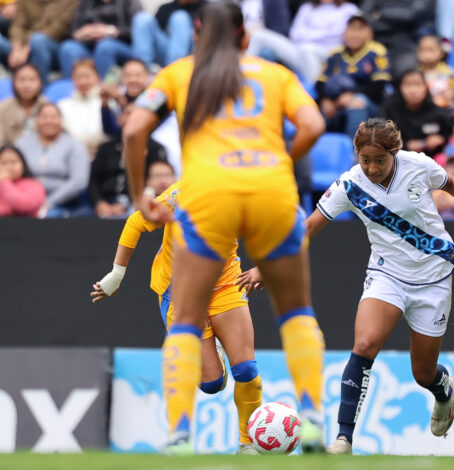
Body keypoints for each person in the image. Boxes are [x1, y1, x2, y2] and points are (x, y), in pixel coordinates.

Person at [122, 1, 327, 454]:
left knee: (186, 319)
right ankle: (311, 417)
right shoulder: (272, 73)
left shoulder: (179, 73)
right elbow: (313, 124)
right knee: (295, 311)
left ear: (196, 34)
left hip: (207, 193)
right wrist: (281, 163)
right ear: (245, 37)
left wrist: (140, 194)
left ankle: (178, 434)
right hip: (271, 189)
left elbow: (135, 129)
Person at [306, 118, 454, 455]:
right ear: (357, 155)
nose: (372, 167)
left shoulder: (417, 165)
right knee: (364, 344)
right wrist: (267, 266)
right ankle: (344, 438)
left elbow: (450, 183)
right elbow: (311, 226)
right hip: (386, 274)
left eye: (380, 160)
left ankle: (444, 389)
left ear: (394, 152)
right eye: (365, 160)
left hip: (433, 277)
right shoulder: (349, 185)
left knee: (423, 373)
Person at [89, 180, 267, 454]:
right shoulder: (181, 193)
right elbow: (136, 222)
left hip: (225, 284)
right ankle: (213, 353)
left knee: (246, 370)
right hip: (179, 292)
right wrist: (116, 275)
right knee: (211, 385)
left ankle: (247, 445)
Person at [246, 0, 359, 84]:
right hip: (299, 51)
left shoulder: (349, 9)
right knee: (259, 35)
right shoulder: (307, 7)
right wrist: (320, 33)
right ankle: (242, 73)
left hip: (328, 54)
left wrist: (309, 35)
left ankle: (315, 91)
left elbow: (338, 34)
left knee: (308, 49)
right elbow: (295, 34)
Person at [316, 14, 391, 139]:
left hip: (370, 104)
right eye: (351, 29)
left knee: (357, 102)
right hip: (336, 101)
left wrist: (352, 95)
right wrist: (325, 100)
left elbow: (379, 86)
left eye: (360, 29)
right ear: (344, 33)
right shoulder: (335, 54)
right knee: (316, 106)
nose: (355, 34)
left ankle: (355, 150)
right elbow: (320, 82)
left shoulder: (377, 52)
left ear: (370, 33)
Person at [90, 104, 167, 218]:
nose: (132, 119)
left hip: (138, 203)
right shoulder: (106, 148)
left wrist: (135, 202)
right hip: (106, 203)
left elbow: (157, 179)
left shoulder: (155, 149)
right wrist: (99, 203)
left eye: (137, 115)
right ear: (119, 119)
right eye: (128, 114)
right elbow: (93, 180)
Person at [16, 103, 90, 217]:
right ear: (36, 120)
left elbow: (79, 181)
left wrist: (49, 202)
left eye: (54, 117)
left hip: (64, 204)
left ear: (61, 120)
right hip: (24, 201)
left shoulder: (74, 145)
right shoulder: (23, 143)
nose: (49, 121)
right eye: (44, 117)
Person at [0, 0, 80, 84]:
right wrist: (16, 47)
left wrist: (27, 47)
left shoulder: (72, 2)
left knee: (38, 41)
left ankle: (39, 88)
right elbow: (17, 26)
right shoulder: (25, 2)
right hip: (20, 46)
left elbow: (58, 29)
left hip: (53, 46)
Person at [58, 0, 140, 78]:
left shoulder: (128, 2)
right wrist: (84, 32)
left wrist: (110, 31)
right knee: (68, 47)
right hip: (90, 45)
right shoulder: (86, 3)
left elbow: (138, 30)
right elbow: (74, 31)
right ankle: (71, 89)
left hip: (121, 45)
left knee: (104, 47)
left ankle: (106, 89)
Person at [380, 69, 452, 156]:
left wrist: (441, 138)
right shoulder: (390, 109)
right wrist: (405, 145)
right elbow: (381, 138)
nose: (413, 90)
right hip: (398, 159)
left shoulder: (436, 110)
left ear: (426, 87)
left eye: (418, 84)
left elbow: (452, 132)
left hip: (433, 160)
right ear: (400, 87)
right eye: (408, 85)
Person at [360, 0, 435, 75]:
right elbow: (365, 15)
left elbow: (410, 15)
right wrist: (395, 19)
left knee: (407, 70)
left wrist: (380, 14)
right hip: (376, 40)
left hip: (405, 44)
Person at [131, 0, 204, 70]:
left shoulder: (205, 8)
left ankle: (175, 70)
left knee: (180, 18)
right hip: (166, 51)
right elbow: (153, 36)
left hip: (193, 50)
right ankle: (141, 71)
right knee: (142, 19)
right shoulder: (165, 9)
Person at [58, 59, 108, 156]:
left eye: (87, 76)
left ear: (97, 77)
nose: (83, 82)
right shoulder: (63, 106)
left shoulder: (108, 102)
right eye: (78, 77)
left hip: (104, 155)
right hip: (74, 156)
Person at [0, 64, 48, 146]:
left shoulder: (47, 106)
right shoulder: (3, 108)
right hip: (11, 155)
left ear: (40, 83)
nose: (27, 85)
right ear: (14, 83)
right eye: (22, 80)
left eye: (32, 80)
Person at [100, 58, 149, 137]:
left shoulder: (155, 99)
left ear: (147, 76)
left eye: (138, 75)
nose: (133, 79)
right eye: (128, 75)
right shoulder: (117, 99)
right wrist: (105, 104)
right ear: (122, 78)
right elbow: (110, 131)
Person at [0, 144, 46, 217]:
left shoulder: (34, 185)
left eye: (13, 162)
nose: (9, 167)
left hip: (26, 226)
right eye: (4, 163)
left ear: (23, 164)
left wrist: (5, 182)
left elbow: (22, 205)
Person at [417, 35, 454, 109]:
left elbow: (453, 88)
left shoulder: (446, 70)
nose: (427, 55)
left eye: (431, 50)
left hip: (443, 104)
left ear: (441, 53)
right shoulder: (416, 71)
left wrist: (451, 93)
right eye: (422, 50)